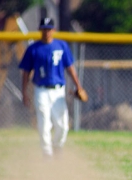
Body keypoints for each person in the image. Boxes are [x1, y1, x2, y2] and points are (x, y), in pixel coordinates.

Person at [19, 17, 84, 158]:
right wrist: (24, 92)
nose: (46, 32)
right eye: (43, 29)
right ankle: (47, 153)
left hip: (58, 91)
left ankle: (57, 146)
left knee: (62, 125)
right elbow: (26, 72)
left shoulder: (62, 46)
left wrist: (78, 85)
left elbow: (70, 68)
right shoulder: (33, 49)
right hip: (40, 90)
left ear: (53, 30)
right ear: (39, 30)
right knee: (44, 121)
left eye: (48, 29)